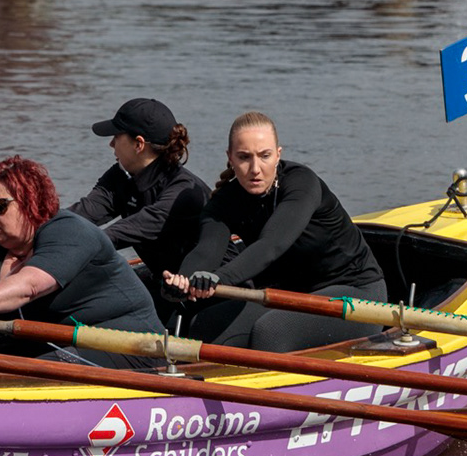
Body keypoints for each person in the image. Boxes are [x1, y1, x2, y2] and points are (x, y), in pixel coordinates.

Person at [163, 111, 388, 352]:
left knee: (271, 332)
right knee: (205, 325)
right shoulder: (224, 201)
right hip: (291, 294)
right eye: (244, 157)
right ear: (230, 158)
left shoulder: (302, 184)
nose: (255, 169)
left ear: (278, 155)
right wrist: (183, 281)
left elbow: (271, 245)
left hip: (357, 293)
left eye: (264, 156)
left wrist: (220, 279)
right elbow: (206, 251)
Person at [0, 156, 164, 369]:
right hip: (59, 345)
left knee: (30, 369)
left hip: (132, 345)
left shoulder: (70, 231)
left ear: (30, 201)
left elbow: (29, 286)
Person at [69, 97, 210, 283]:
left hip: (211, 288)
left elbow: (117, 234)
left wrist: (65, 249)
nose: (111, 144)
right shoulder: (121, 175)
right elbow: (80, 214)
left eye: (116, 137)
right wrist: (37, 226)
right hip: (165, 281)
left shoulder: (184, 192)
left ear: (138, 144)